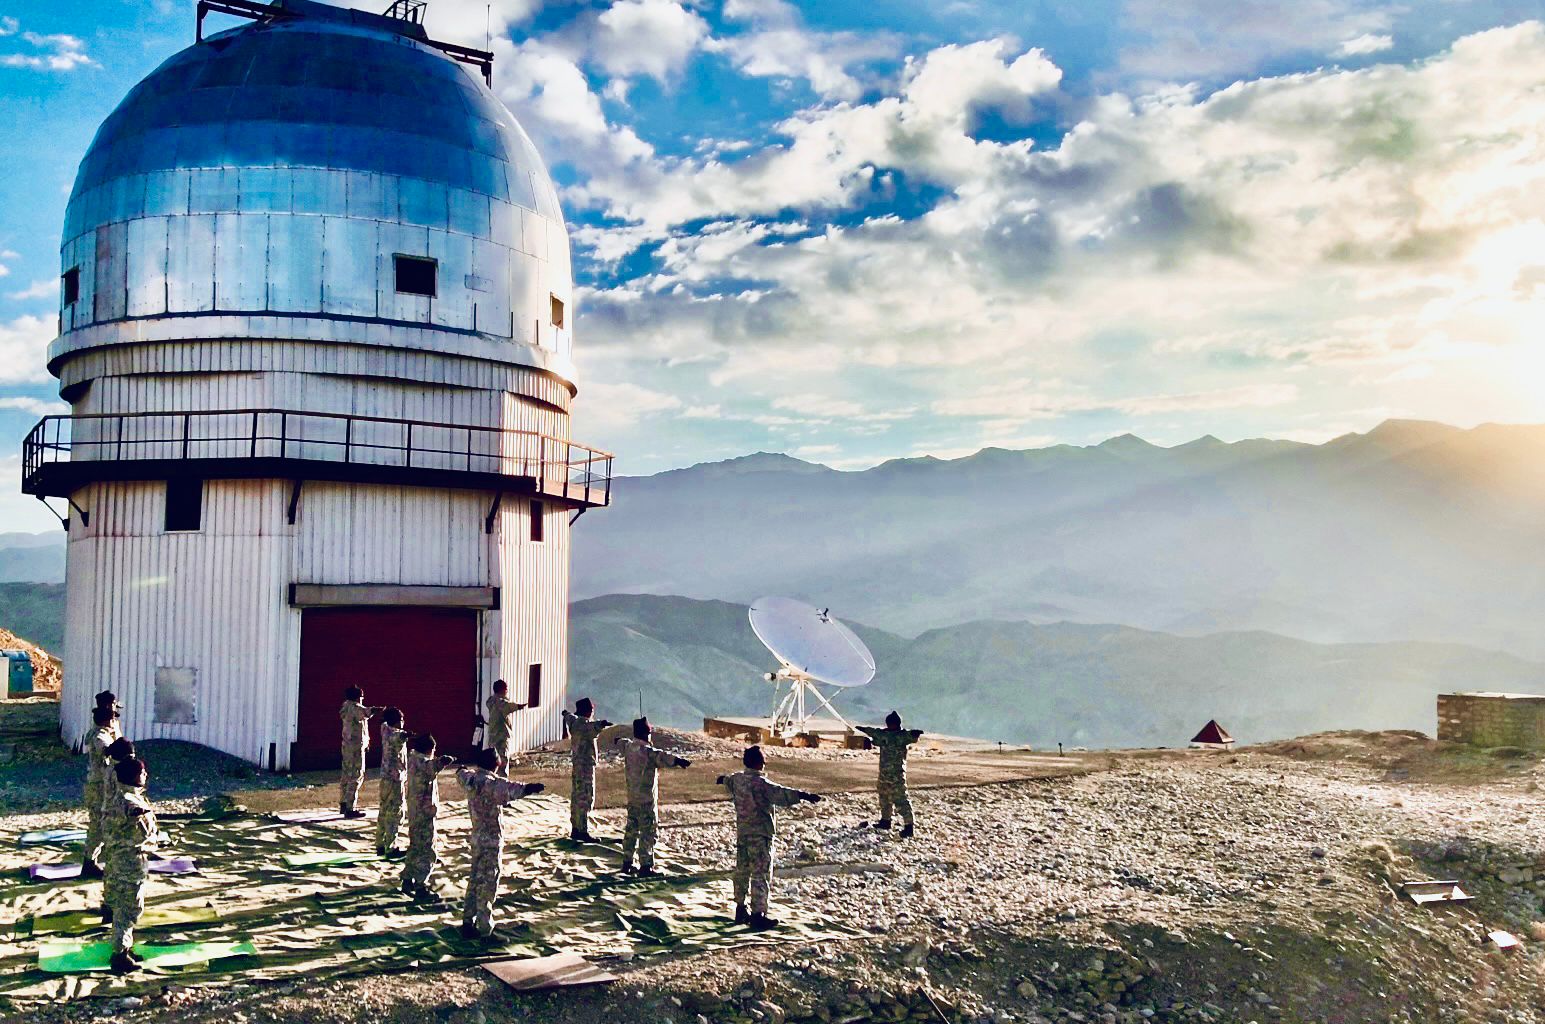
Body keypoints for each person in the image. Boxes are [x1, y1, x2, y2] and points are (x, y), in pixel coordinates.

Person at [718, 745, 821, 930]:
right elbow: (782, 794)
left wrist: (721, 779)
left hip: (743, 833)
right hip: (760, 835)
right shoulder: (761, 784)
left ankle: (740, 909)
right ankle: (758, 915)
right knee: (760, 874)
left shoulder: (737, 780)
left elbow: (726, 781)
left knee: (742, 871)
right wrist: (803, 795)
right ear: (760, 763)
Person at [455, 748, 544, 939]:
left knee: (474, 880)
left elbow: (461, 773)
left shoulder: (470, 779)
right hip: (491, 840)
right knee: (488, 883)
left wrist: (460, 768)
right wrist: (531, 788)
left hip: (477, 837)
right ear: (496, 764)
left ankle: (467, 920)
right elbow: (512, 789)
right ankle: (484, 928)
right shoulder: (490, 783)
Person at [614, 717, 690, 876]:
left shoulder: (629, 747)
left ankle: (627, 862)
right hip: (647, 801)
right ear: (647, 734)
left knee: (631, 831)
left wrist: (617, 739)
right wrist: (678, 761)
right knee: (648, 833)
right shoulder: (648, 752)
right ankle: (646, 866)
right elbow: (663, 757)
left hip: (632, 799)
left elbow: (620, 742)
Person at [104, 757, 158, 973]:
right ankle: (119, 955)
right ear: (135, 776)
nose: (146, 776)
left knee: (123, 906)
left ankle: (124, 948)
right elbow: (131, 810)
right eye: (143, 772)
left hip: (121, 858)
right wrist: (138, 813)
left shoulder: (121, 794)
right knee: (129, 909)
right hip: (130, 861)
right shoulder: (129, 800)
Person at [400, 733, 457, 898]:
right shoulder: (423, 763)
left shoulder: (412, 759)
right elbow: (430, 767)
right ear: (430, 749)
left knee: (415, 846)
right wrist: (444, 761)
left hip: (414, 810)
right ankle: (420, 885)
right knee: (427, 851)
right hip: (424, 812)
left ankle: (407, 879)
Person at [858, 711, 924, 838]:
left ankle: (909, 826)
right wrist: (863, 729)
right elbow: (873, 732)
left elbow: (910, 735)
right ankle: (885, 821)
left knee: (901, 799)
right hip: (884, 774)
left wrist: (915, 733)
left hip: (896, 775)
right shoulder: (885, 734)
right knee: (884, 797)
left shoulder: (901, 736)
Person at [561, 697, 611, 841]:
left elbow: (568, 716)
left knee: (576, 797)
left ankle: (576, 828)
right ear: (588, 711)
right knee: (585, 798)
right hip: (586, 766)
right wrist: (602, 724)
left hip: (577, 765)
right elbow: (593, 726)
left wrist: (565, 713)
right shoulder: (584, 725)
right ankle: (582, 832)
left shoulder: (574, 722)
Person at [81, 705, 116, 879]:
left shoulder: (102, 733)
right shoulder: (100, 736)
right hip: (98, 786)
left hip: (102, 784)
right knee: (98, 825)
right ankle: (89, 862)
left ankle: (92, 860)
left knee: (103, 824)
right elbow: (108, 751)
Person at [339, 686, 384, 818]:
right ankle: (350, 807)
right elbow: (365, 713)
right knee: (356, 775)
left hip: (348, 745)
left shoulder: (346, 707)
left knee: (346, 774)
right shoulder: (354, 707)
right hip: (355, 746)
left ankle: (343, 803)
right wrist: (376, 710)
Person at [375, 707, 410, 857]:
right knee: (395, 813)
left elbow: (384, 723)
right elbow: (400, 736)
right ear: (397, 722)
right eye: (401, 720)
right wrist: (408, 735)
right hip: (395, 779)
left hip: (385, 778)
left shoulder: (384, 729)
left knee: (383, 810)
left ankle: (380, 844)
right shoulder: (396, 735)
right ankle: (391, 847)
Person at [480, 679, 525, 777]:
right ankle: (503, 781)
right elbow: (508, 706)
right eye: (506, 689)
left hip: (492, 736)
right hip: (502, 736)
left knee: (493, 760)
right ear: (502, 689)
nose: (507, 691)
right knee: (503, 759)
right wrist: (520, 706)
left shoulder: (490, 701)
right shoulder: (500, 702)